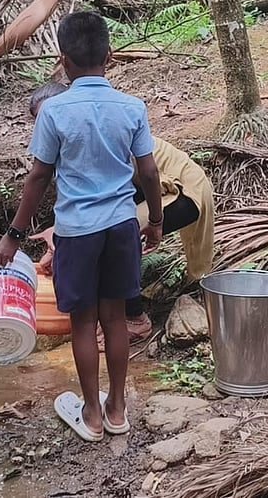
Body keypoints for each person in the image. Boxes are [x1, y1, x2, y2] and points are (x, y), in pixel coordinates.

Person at [0, 11, 164, 442]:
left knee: (84, 323)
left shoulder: (54, 112)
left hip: (78, 231)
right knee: (116, 317)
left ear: (63, 60)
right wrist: (157, 219)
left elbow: (37, 178)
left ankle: (91, 413)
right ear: (110, 55)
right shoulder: (132, 108)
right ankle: (118, 408)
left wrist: (13, 236)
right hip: (122, 226)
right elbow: (148, 172)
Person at [26, 81, 216, 349]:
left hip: (180, 190)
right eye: (40, 120)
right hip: (149, 188)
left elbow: (115, 196)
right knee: (106, 233)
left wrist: (154, 221)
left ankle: (135, 318)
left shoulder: (100, 131)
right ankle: (115, 308)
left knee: (115, 238)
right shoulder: (73, 138)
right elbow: (81, 199)